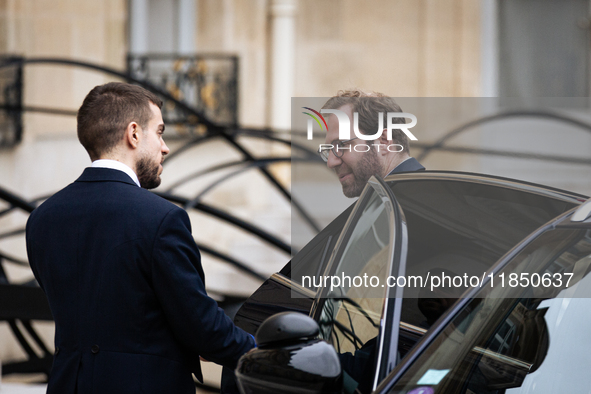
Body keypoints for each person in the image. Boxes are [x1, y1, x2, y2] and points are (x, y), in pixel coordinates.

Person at [26, 82, 255, 394]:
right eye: (159, 132)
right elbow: (200, 325)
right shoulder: (161, 219)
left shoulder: (42, 218)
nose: (165, 147)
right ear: (133, 134)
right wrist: (262, 353)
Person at [321, 89, 424, 197]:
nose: (331, 163)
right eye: (329, 149)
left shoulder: (422, 200)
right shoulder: (390, 202)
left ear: (383, 141)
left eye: (341, 145)